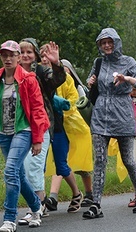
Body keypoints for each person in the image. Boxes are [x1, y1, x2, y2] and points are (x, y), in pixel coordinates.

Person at [0, 40, 49, 232]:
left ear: (18, 57)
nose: (8, 59)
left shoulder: (28, 79)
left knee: (9, 172)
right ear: (0, 57)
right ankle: (36, 207)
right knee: (17, 174)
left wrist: (38, 138)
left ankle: (9, 219)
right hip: (5, 133)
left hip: (23, 130)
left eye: (12, 55)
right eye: (4, 55)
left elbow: (38, 109)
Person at [82, 27, 136, 218]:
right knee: (100, 160)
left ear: (116, 42)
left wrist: (126, 78)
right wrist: (91, 81)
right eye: (103, 43)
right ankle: (96, 204)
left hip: (123, 113)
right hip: (101, 114)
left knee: (128, 159)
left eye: (109, 42)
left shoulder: (129, 62)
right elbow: (91, 80)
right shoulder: (98, 62)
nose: (106, 45)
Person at [16, 38, 66, 224]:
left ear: (36, 55)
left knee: (35, 167)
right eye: (22, 52)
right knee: (24, 168)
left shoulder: (42, 71)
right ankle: (39, 205)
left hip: (41, 125)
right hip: (19, 126)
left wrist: (56, 63)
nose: (26, 55)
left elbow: (57, 80)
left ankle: (33, 209)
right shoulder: (13, 73)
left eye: (29, 52)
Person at [41, 54, 94, 208]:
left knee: (81, 167)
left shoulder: (75, 86)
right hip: (58, 127)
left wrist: (59, 104)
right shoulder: (44, 80)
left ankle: (88, 193)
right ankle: (51, 198)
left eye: (65, 70)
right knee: (59, 163)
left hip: (76, 128)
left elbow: (74, 105)